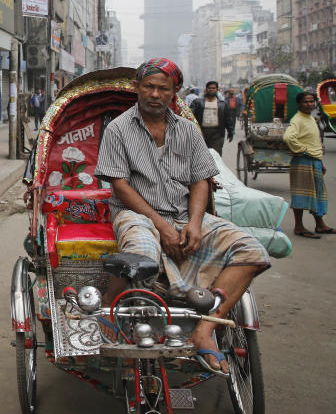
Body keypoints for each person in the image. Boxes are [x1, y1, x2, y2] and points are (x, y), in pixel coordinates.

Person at [94, 58, 270, 375]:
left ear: (175, 92)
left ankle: (206, 326)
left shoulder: (188, 130)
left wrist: (195, 223)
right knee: (142, 257)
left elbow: (200, 180)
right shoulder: (118, 129)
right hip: (137, 214)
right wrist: (161, 225)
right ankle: (110, 304)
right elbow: (120, 185)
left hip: (182, 213)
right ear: (137, 87)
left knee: (251, 250)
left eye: (163, 88)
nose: (155, 94)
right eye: (148, 86)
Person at [283, 91, 331, 238]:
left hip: (314, 160)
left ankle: (320, 224)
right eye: (306, 102)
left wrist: (320, 161)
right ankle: (299, 227)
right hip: (303, 161)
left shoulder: (311, 118)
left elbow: (314, 142)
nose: (309, 104)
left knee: (316, 193)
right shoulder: (297, 119)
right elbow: (288, 137)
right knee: (301, 194)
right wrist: (302, 150)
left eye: (312, 101)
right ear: (299, 104)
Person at [189, 80, 234, 155]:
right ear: (206, 89)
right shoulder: (197, 102)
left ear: (217, 90)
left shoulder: (223, 104)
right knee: (201, 156)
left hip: (217, 134)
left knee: (216, 157)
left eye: (213, 88)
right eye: (209, 88)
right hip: (201, 133)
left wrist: (231, 132)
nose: (211, 90)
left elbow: (228, 119)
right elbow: (190, 116)